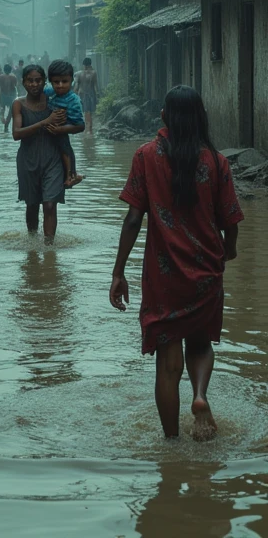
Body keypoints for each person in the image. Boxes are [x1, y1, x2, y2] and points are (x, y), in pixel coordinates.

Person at [109, 85, 244, 442]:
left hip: (164, 275)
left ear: (164, 115)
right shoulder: (216, 161)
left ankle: (171, 444)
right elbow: (231, 219)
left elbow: (133, 220)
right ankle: (199, 395)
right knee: (200, 343)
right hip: (205, 271)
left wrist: (118, 271)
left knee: (168, 364)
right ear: (201, 117)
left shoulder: (145, 156)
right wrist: (227, 251)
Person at [12, 65, 68, 243]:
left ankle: (49, 249)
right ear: (23, 83)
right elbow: (16, 133)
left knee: (50, 204)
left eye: (38, 80)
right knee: (32, 205)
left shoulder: (54, 101)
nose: (34, 84)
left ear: (45, 82)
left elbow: (67, 130)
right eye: (30, 80)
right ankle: (32, 243)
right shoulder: (18, 104)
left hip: (52, 160)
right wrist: (45, 122)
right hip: (28, 160)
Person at [44, 59, 85, 187]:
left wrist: (60, 130)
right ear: (51, 81)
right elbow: (40, 93)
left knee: (65, 149)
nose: (60, 85)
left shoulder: (73, 100)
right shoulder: (50, 91)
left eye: (65, 82)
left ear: (71, 80)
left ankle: (70, 177)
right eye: (56, 82)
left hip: (62, 128)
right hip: (50, 131)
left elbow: (80, 125)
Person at [74, 57, 99, 135]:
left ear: (83, 64)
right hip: (91, 94)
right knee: (90, 112)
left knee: (86, 112)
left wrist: (74, 95)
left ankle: (88, 129)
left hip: (82, 94)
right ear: (90, 64)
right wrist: (97, 94)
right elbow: (95, 85)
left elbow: (76, 86)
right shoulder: (94, 73)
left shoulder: (78, 73)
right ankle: (89, 129)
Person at [0, 63, 18, 129]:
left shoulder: (0, 77)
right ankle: (6, 125)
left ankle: (2, 117)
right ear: (10, 70)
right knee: (11, 111)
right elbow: (15, 86)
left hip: (3, 95)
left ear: (4, 69)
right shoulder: (14, 77)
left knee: (2, 108)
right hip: (12, 95)